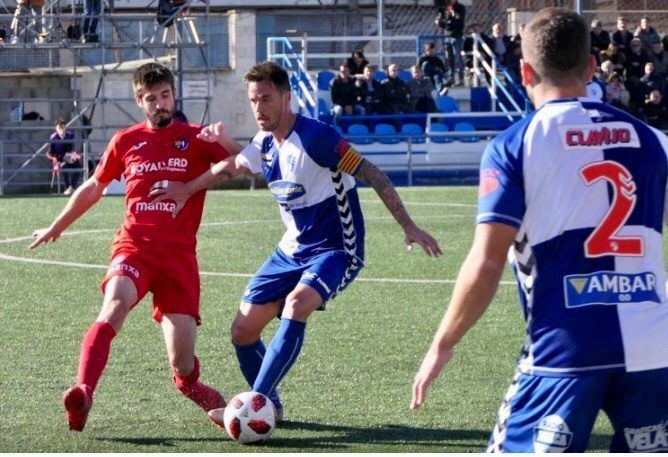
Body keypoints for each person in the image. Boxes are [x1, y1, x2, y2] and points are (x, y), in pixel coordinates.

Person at [411, 8, 668, 453]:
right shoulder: (654, 140)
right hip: (656, 349)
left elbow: (487, 261)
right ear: (591, 68)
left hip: (564, 349)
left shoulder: (515, 145)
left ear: (524, 70)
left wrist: (443, 342)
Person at [149, 61, 443, 424]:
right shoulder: (264, 144)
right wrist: (187, 188)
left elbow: (371, 172)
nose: (259, 108)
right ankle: (271, 404)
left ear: (286, 98)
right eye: (254, 100)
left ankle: (252, 405)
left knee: (296, 304)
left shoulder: (318, 137)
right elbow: (231, 166)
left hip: (337, 249)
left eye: (266, 99)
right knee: (243, 331)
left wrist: (408, 225)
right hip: (291, 249)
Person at [29, 62, 228, 432]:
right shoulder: (126, 140)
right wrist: (56, 226)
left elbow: (238, 163)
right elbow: (93, 186)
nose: (160, 104)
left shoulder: (198, 137)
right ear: (140, 101)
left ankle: (193, 387)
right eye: (151, 98)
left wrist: (196, 177)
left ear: (174, 94)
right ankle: (83, 393)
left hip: (179, 259)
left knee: (182, 363)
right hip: (134, 247)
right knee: (113, 308)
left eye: (165, 96)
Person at [47, 118, 82, 196]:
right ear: (56, 128)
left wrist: (73, 155)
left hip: (68, 157)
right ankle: (67, 187)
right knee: (63, 167)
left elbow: (71, 149)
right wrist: (56, 159)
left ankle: (72, 187)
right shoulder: (53, 138)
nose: (62, 129)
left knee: (79, 166)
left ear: (66, 127)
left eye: (63, 127)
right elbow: (50, 153)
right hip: (60, 159)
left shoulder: (70, 135)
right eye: (60, 128)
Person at [435, 0, 466, 86]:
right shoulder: (444, 7)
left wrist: (452, 14)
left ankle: (461, 78)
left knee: (457, 56)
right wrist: (440, 22)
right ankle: (451, 78)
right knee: (449, 58)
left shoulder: (460, 8)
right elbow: (442, 23)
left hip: (457, 36)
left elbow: (459, 21)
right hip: (447, 36)